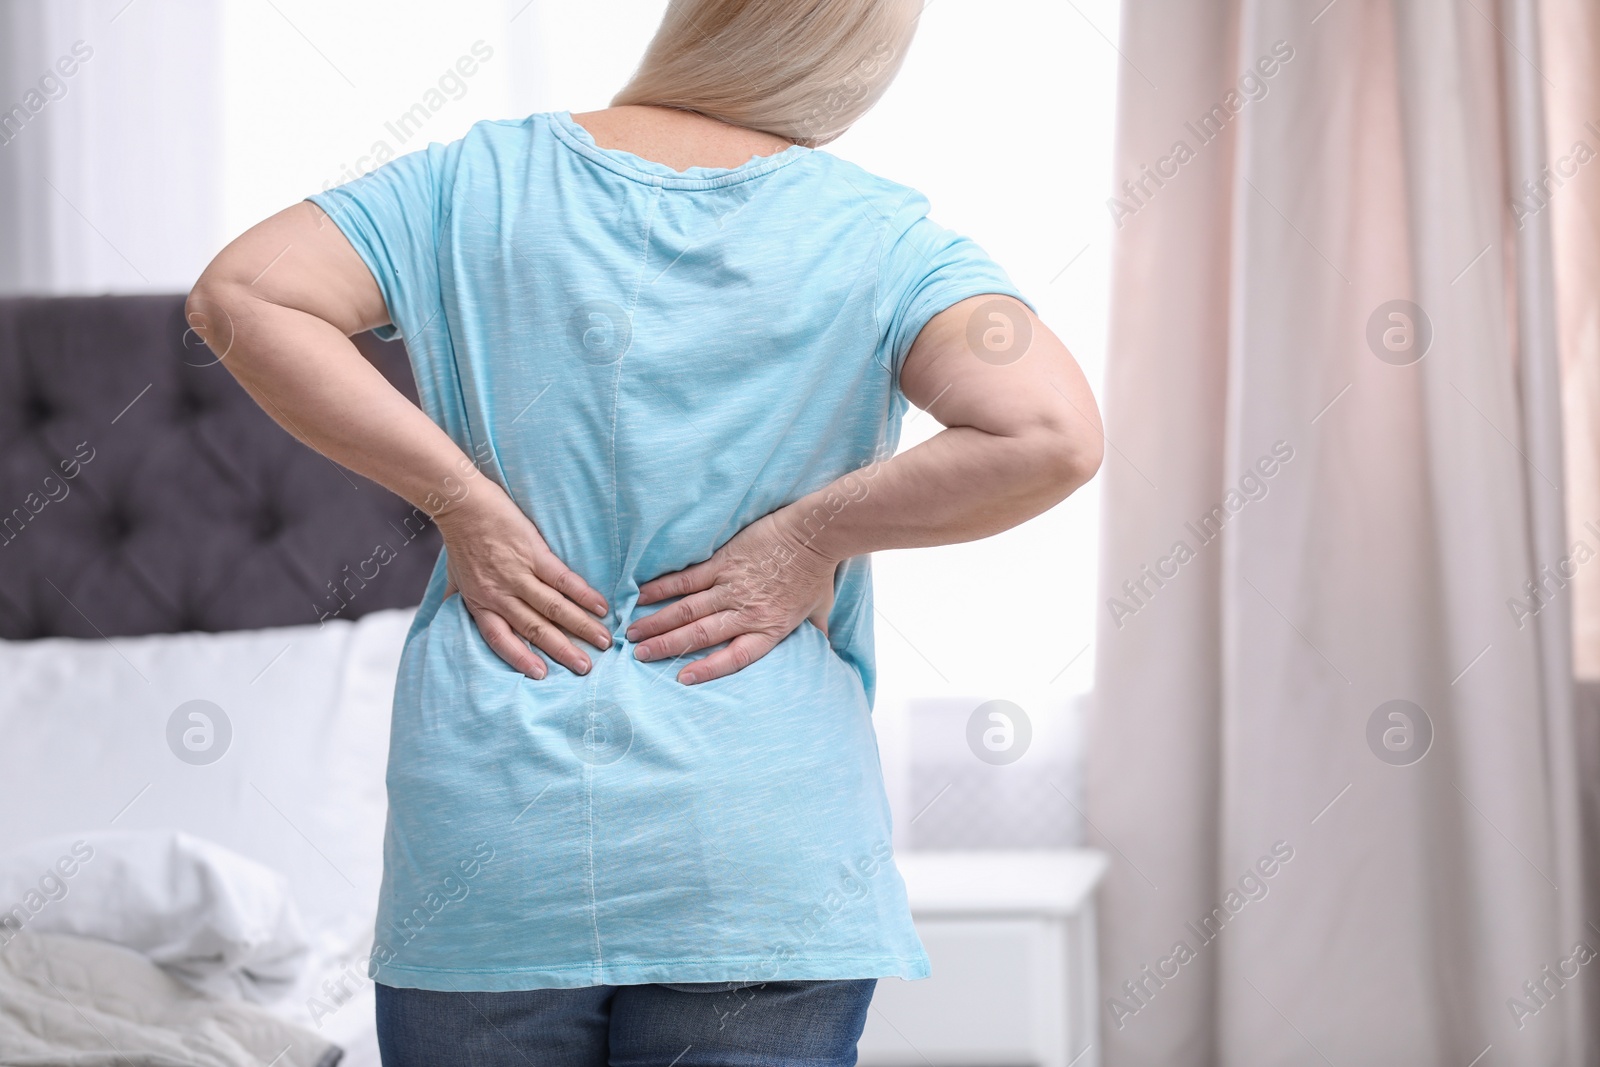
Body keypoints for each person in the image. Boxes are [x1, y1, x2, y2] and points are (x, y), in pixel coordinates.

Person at [187, 1, 1102, 1063]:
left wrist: (461, 498)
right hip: (759, 843)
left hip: (496, 841)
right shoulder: (883, 238)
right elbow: (1049, 432)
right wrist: (808, 539)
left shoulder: (467, 184)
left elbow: (240, 293)